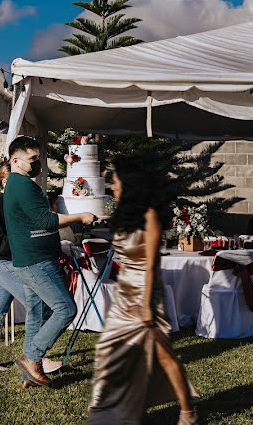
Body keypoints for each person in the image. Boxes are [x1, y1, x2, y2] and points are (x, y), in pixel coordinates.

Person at [86, 156, 198, 424]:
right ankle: (112, 413)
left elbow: (150, 265)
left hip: (146, 294)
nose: (112, 187)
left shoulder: (149, 216)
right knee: (109, 351)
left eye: (115, 182)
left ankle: (187, 411)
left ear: (130, 185)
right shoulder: (125, 216)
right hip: (125, 296)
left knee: (162, 355)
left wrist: (146, 305)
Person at [4, 135, 95, 388]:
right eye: (32, 159)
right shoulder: (21, 185)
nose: (37, 163)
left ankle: (29, 375)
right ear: (16, 160)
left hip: (33, 259)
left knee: (37, 315)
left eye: (38, 158)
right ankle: (32, 357)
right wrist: (80, 216)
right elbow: (45, 221)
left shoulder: (20, 184)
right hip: (36, 262)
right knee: (66, 309)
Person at [0, 164, 62, 378]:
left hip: (6, 260)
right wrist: (18, 243)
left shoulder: (9, 202)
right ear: (4, 181)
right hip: (1, 262)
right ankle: (35, 358)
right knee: (36, 305)